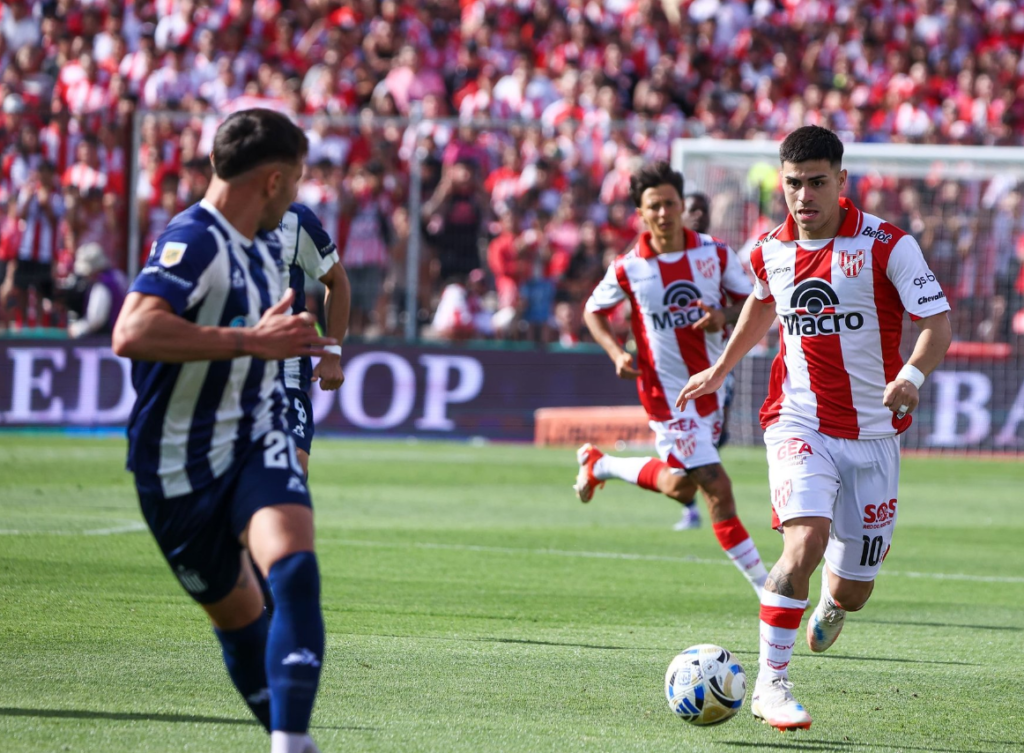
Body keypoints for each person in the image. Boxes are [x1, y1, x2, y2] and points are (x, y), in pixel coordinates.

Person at [677, 125, 952, 731]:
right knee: (802, 541)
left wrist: (911, 375)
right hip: (797, 420)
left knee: (853, 590)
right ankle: (770, 687)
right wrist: (720, 369)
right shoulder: (769, 250)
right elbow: (760, 302)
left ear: (841, 181)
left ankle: (833, 600)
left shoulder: (887, 245)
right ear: (783, 182)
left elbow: (938, 322)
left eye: (817, 183)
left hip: (875, 434)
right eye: (794, 183)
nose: (804, 196)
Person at [112, 109, 336, 753]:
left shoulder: (271, 245)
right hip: (175, 466)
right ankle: (287, 732)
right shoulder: (195, 240)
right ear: (270, 181)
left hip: (252, 440)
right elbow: (132, 332)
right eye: (294, 181)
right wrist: (250, 339)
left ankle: (289, 741)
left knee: (294, 572)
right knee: (240, 624)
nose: (297, 194)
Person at [575, 160, 769, 598]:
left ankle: (599, 464)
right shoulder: (629, 267)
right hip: (667, 398)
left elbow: (755, 302)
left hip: (712, 390)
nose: (663, 213)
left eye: (670, 204)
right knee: (717, 488)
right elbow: (592, 310)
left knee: (681, 486)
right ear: (641, 214)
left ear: (682, 206)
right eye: (654, 206)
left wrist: (723, 315)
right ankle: (769, 589)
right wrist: (613, 351)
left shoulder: (715, 254)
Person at [277, 201, 351, 477]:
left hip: (286, 365)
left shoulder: (295, 219)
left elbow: (337, 280)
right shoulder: (204, 222)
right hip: (229, 364)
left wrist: (332, 352)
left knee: (293, 466)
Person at [66, 242, 127, 338]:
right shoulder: (118, 275)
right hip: (123, 334)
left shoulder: (101, 286)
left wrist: (76, 329)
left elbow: (95, 320)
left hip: (109, 340)